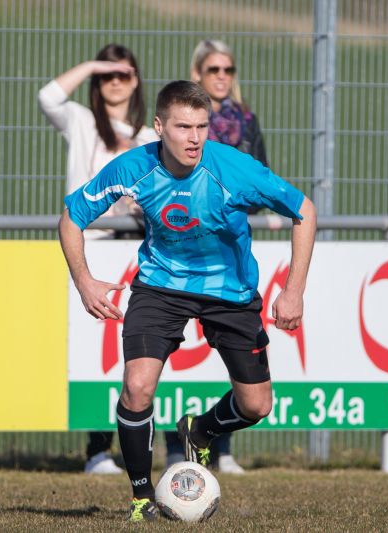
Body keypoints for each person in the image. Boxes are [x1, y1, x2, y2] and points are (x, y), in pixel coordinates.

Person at [58, 80, 316, 521]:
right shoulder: (133, 167)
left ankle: (200, 431)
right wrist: (85, 282)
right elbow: (71, 218)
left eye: (202, 126)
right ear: (159, 127)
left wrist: (293, 290)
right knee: (137, 387)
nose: (195, 137)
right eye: (183, 127)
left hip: (229, 293)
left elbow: (304, 210)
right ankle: (142, 500)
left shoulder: (234, 168)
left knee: (256, 405)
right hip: (161, 287)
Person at [38, 43, 159, 475]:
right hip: (90, 250)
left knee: (143, 354)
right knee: (95, 352)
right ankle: (96, 450)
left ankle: (153, 449)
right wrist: (90, 64)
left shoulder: (149, 139)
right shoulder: (83, 121)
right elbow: (47, 97)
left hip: (137, 250)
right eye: (106, 75)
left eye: (123, 74)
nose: (114, 82)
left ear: (136, 80)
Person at [163, 39, 269, 475]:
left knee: (252, 391)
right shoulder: (178, 122)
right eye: (212, 69)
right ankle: (169, 446)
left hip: (229, 256)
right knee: (153, 365)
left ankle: (214, 441)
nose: (222, 75)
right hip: (177, 257)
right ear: (198, 75)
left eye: (229, 67)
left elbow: (264, 183)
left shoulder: (246, 121)